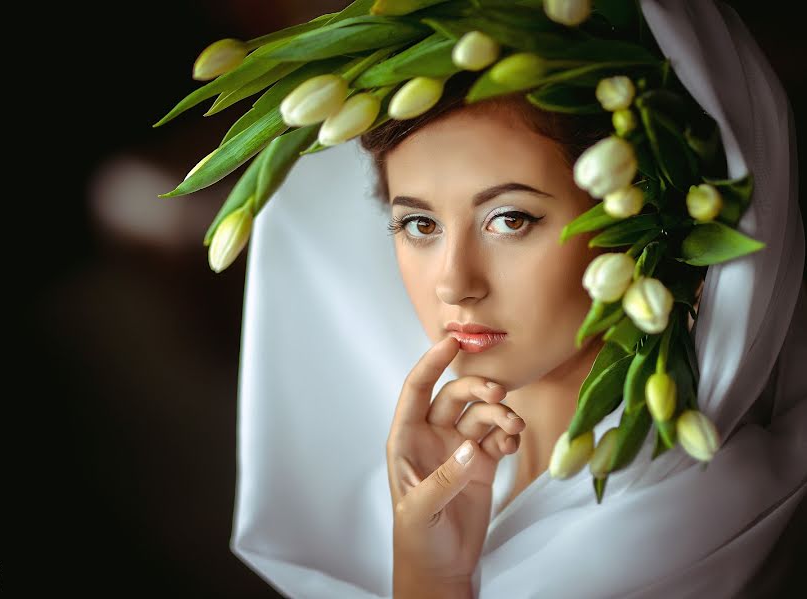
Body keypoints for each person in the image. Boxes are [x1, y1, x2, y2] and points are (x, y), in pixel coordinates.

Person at [155, 0, 807, 596]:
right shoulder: (404, 488)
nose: (452, 281)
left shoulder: (688, 523)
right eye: (419, 223)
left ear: (649, 227)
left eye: (509, 219)